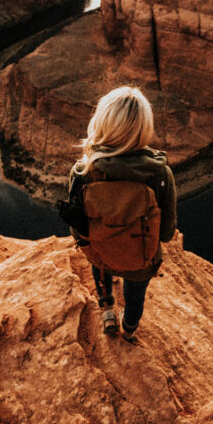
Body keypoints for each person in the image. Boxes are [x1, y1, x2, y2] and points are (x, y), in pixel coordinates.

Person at [69, 86, 176, 343]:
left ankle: (107, 312)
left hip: (100, 252)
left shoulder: (83, 171)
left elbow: (77, 227)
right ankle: (129, 328)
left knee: (102, 271)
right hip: (140, 260)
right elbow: (167, 233)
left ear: (102, 121)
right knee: (135, 295)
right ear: (144, 128)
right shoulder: (160, 175)